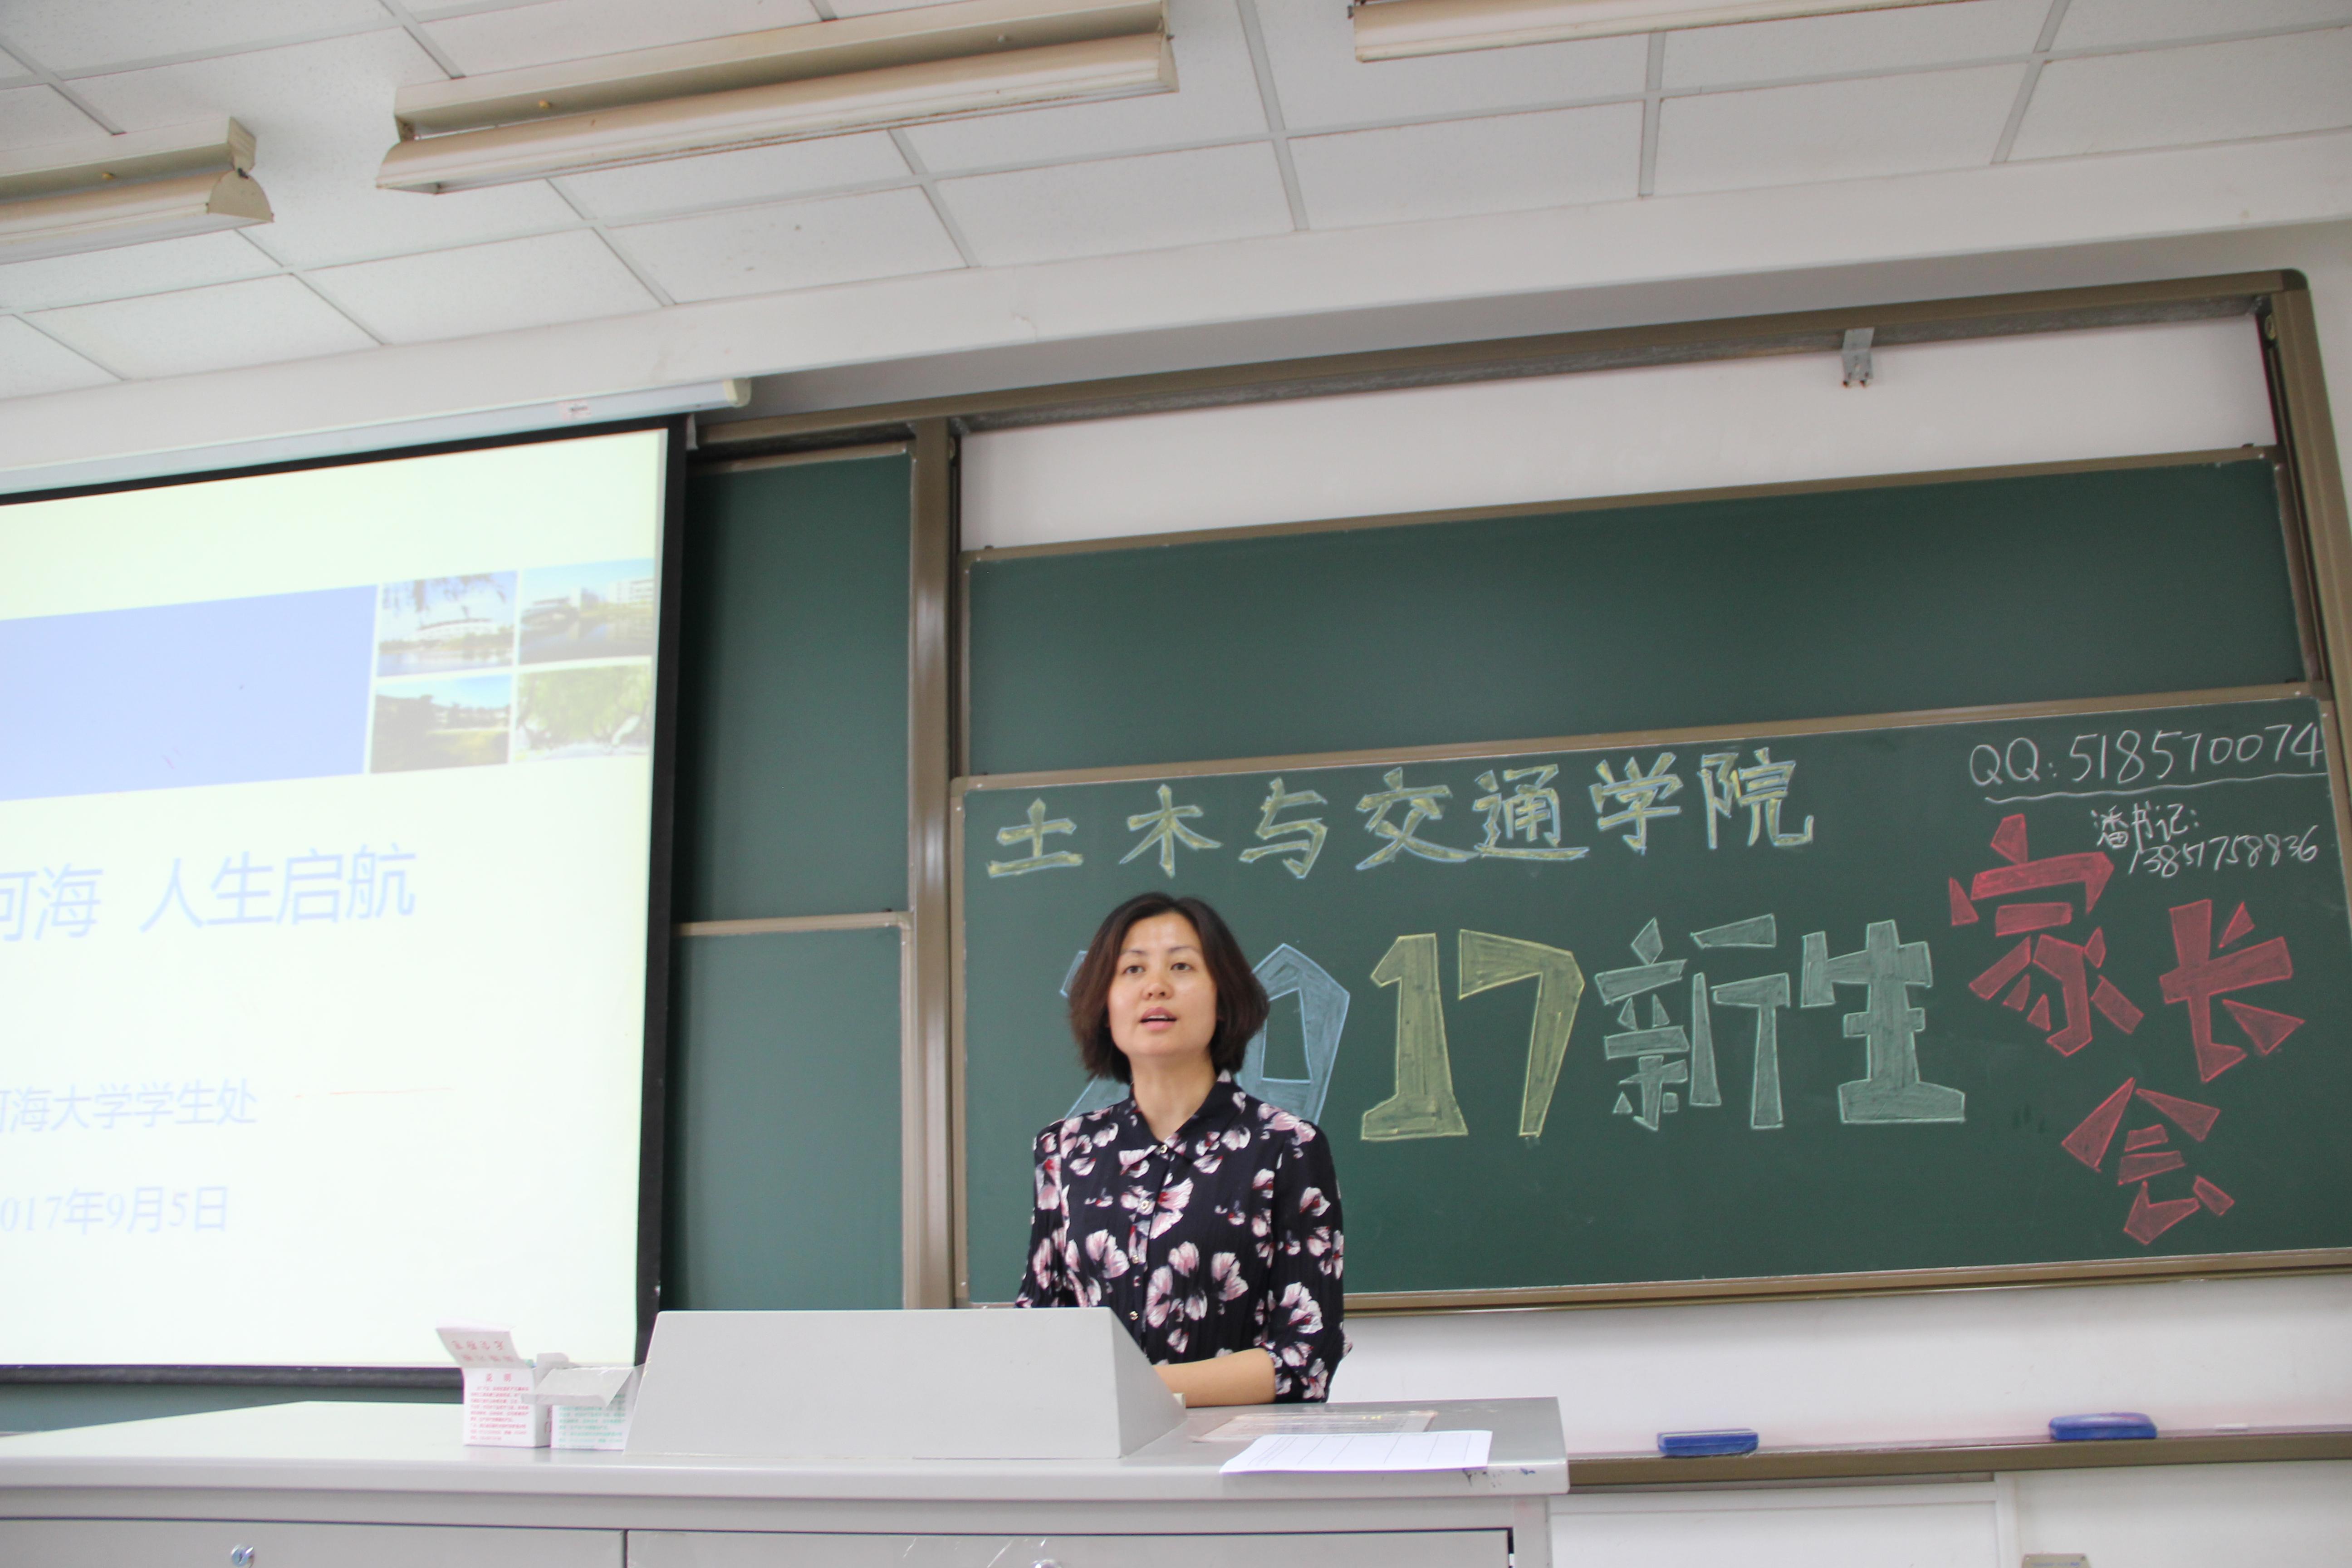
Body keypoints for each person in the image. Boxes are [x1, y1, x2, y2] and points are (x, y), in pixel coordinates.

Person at [1015, 892, 1346, 1406]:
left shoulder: (1287, 1147)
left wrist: (1134, 1391)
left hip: (1240, 1445)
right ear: (1104, 1005)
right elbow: (1037, 1330)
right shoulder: (1064, 1150)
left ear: (1224, 999)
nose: (1156, 987)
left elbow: (1306, 1359)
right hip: (1097, 1444)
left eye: (1182, 966)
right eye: (1132, 970)